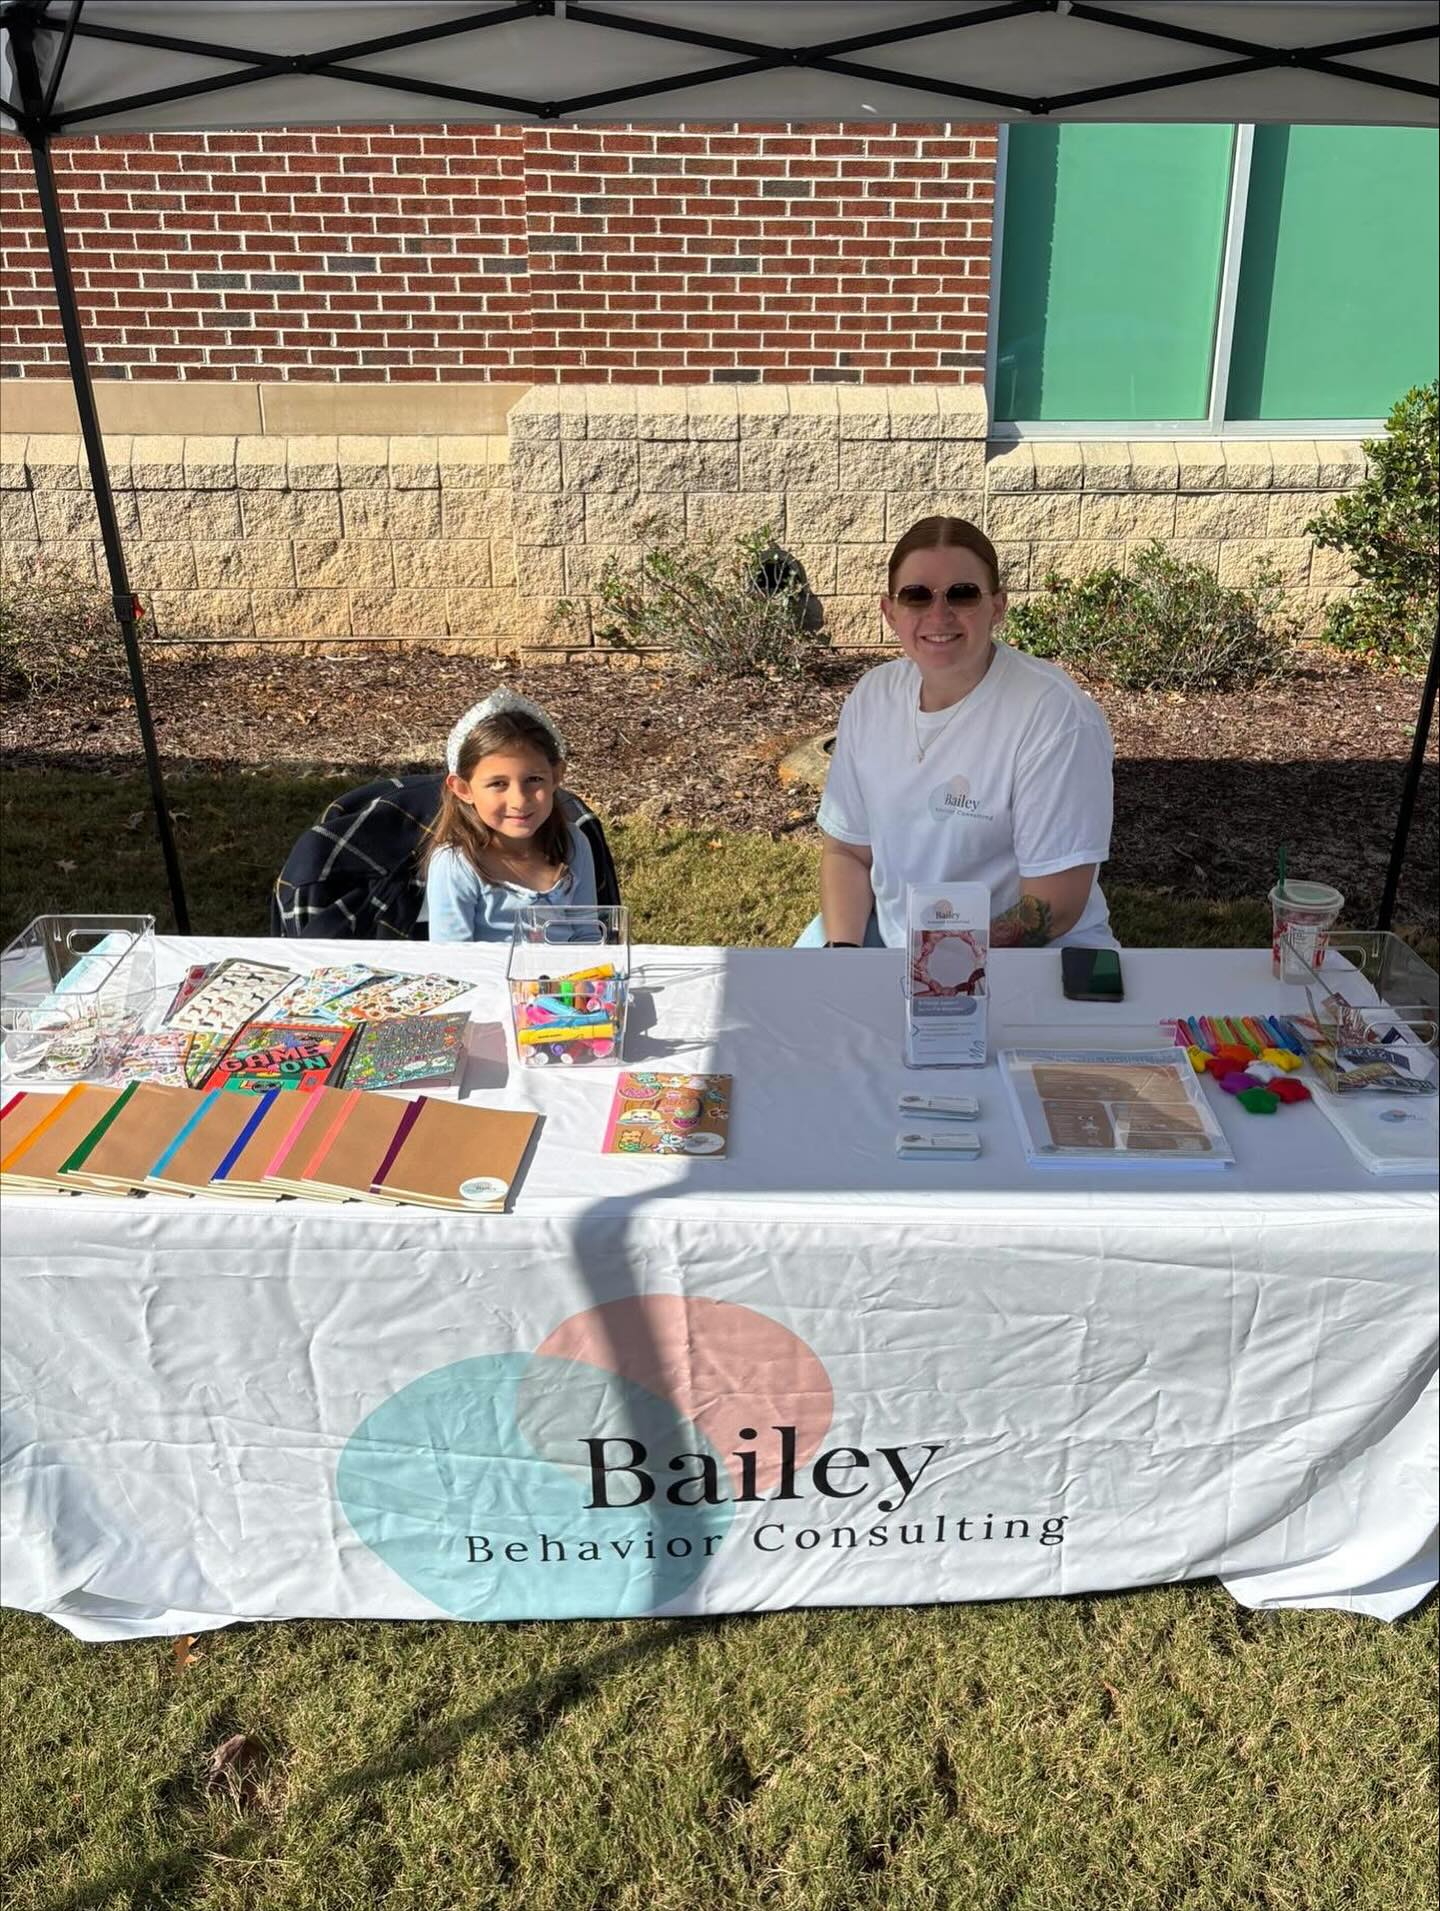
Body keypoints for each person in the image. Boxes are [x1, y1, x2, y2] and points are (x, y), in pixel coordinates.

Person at [801, 515, 1115, 950]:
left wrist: (941, 962)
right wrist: (844, 953)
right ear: (889, 612)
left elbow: (1055, 904)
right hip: (898, 943)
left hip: (1029, 957)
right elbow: (849, 853)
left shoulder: (1053, 714)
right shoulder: (873, 697)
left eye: (962, 594)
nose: (939, 614)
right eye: (916, 596)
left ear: (998, 607)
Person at [424, 690, 599, 942]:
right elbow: (453, 960)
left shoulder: (573, 843)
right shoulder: (457, 864)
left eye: (534, 780)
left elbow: (588, 936)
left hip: (568, 982)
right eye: (498, 784)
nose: (519, 800)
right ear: (463, 789)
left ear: (556, 776)